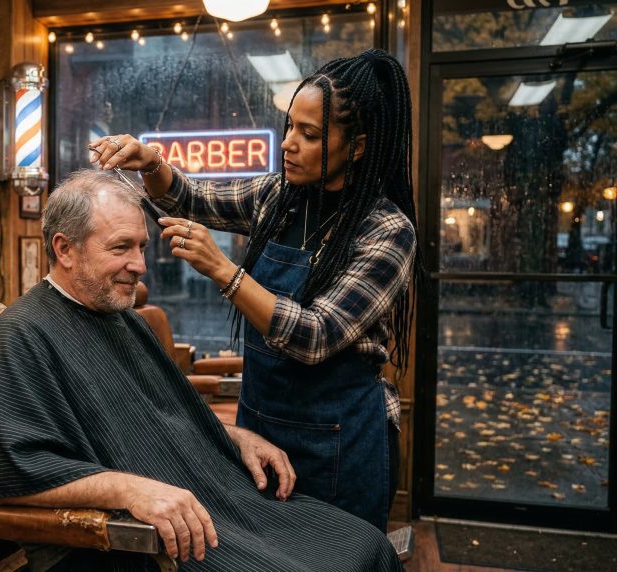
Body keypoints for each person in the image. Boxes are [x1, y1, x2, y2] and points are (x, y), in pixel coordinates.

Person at [0, 169, 401, 571]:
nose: (139, 266)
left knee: (364, 543)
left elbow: (162, 413)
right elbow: (9, 472)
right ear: (65, 249)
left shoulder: (120, 319)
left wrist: (231, 436)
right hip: (126, 545)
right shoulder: (18, 339)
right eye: (121, 247)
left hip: (214, 501)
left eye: (141, 246)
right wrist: (130, 491)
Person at [88, 49, 421, 532]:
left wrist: (225, 271)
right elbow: (190, 195)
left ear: (358, 146)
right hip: (258, 427)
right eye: (289, 127)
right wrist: (150, 161)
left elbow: (315, 335)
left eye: (309, 134)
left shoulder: (386, 231)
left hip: (340, 441)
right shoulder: (276, 199)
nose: (289, 144)